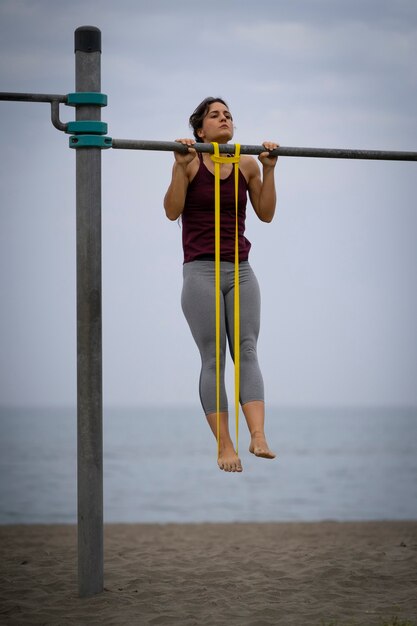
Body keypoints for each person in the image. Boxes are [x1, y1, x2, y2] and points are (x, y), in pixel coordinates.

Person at [164, 97, 278, 473]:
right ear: (200, 130)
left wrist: (269, 169)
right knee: (213, 356)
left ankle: (258, 435)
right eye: (215, 115)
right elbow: (171, 211)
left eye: (228, 114)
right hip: (200, 272)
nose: (224, 118)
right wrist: (180, 169)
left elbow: (265, 214)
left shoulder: (246, 163)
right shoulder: (189, 160)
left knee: (246, 349)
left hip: (241, 270)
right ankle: (224, 443)